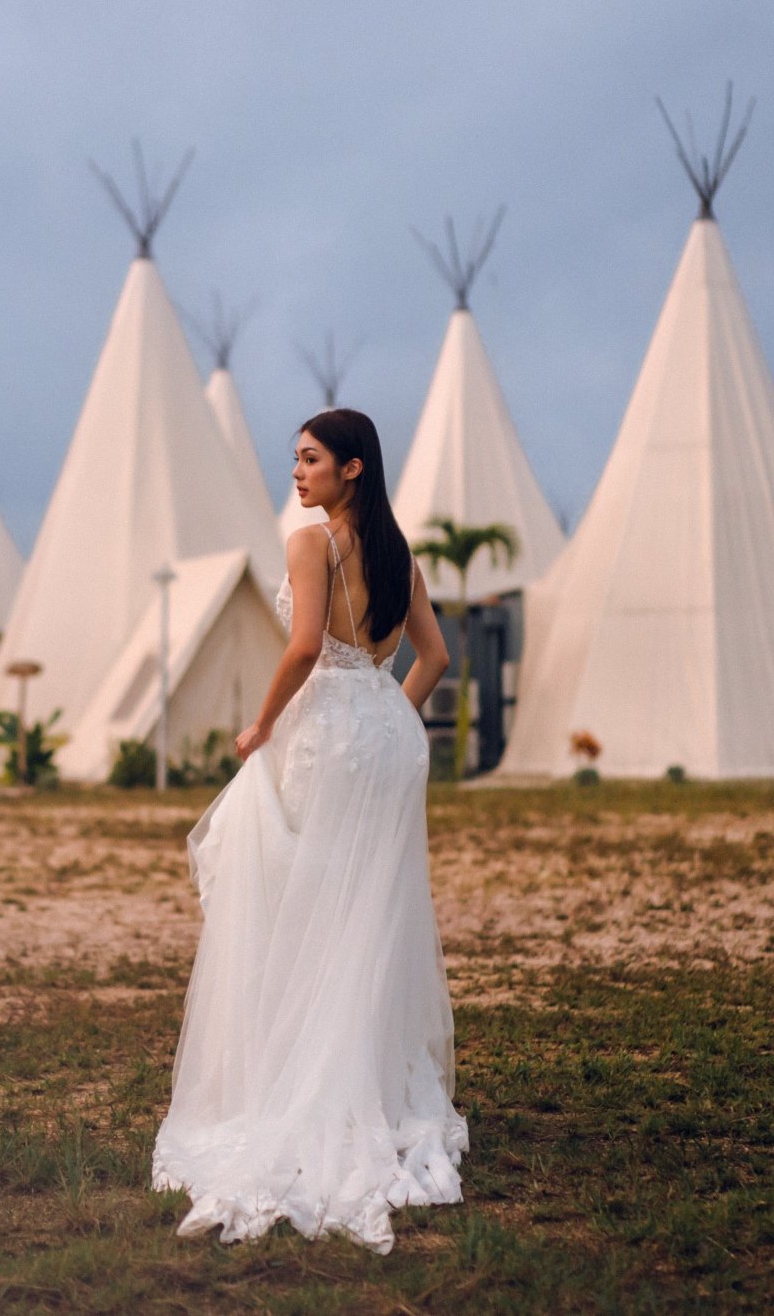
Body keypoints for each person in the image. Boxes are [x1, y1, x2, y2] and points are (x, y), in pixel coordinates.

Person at [152, 407, 467, 1253]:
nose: (296, 472)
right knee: (373, 912)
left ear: (352, 467)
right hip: (390, 739)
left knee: (307, 901)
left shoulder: (310, 543)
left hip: (329, 731)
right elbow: (434, 658)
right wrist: (385, 715)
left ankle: (303, 1079)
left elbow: (299, 650)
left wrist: (258, 727)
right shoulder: (402, 555)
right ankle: (372, 1080)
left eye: (309, 458)